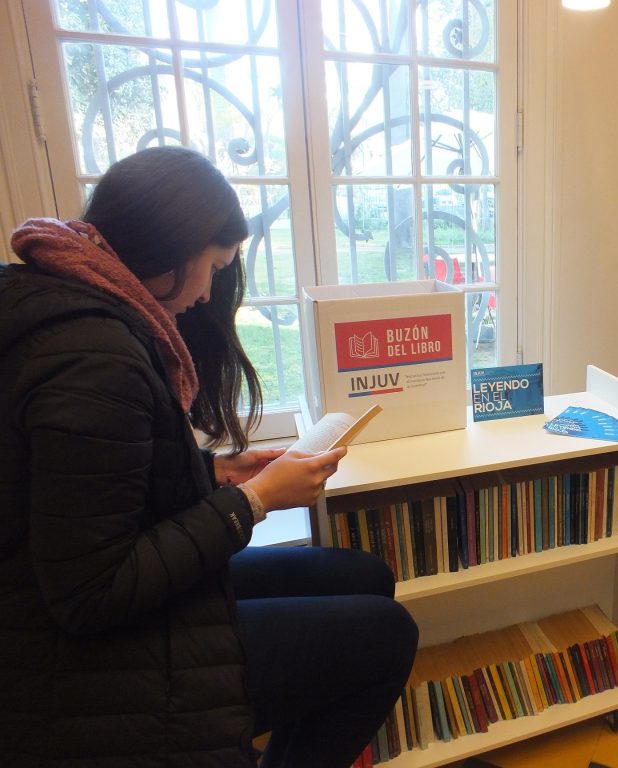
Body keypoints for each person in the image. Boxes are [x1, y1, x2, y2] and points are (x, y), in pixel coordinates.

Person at [0, 146, 418, 767]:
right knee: (389, 635)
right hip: (77, 661)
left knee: (363, 575)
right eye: (215, 265)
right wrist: (254, 501)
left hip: (62, 595)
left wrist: (214, 472)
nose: (207, 293)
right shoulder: (96, 360)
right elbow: (92, 593)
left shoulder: (57, 299)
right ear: (174, 248)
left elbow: (88, 488)